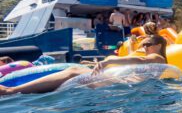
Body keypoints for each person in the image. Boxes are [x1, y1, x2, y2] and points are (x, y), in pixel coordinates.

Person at [0, 35, 167, 96]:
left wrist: (110, 60)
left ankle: (10, 91)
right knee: (77, 70)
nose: (144, 47)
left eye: (147, 44)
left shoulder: (157, 57)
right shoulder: (155, 57)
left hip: (123, 85)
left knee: (74, 71)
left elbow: (141, 61)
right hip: (123, 84)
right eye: (143, 45)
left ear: (159, 44)